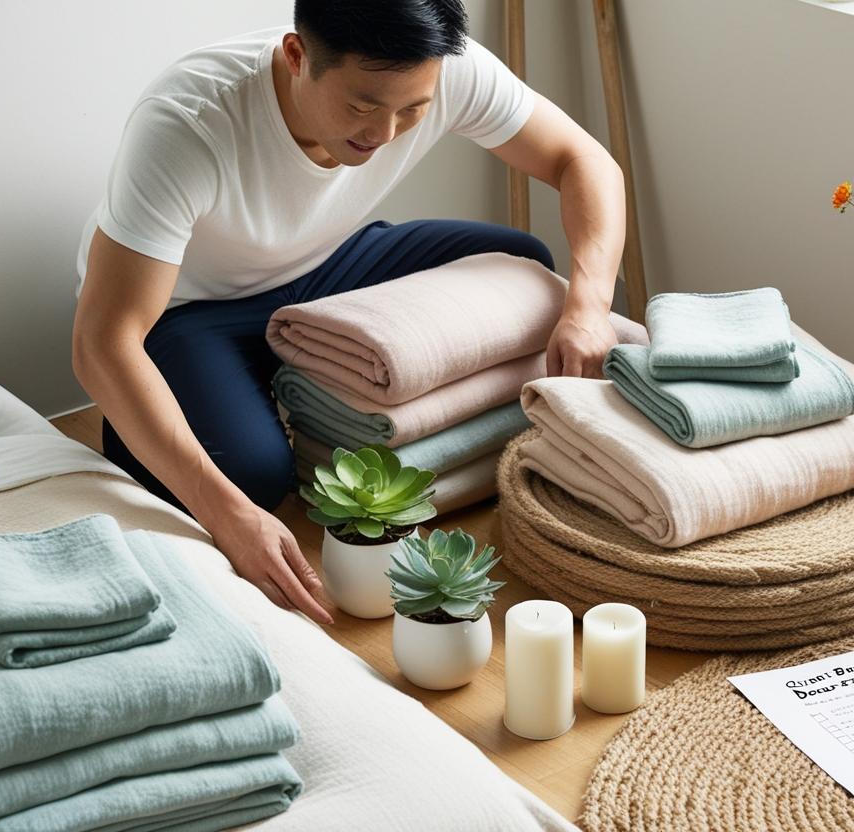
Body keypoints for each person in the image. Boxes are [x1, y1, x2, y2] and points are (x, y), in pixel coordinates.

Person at [70, 0, 627, 626]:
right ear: (296, 55)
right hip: (191, 308)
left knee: (521, 267)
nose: (385, 133)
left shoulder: (444, 66)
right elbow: (102, 340)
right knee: (250, 477)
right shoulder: (189, 121)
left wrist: (590, 305)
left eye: (412, 109)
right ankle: (176, 416)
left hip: (327, 263)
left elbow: (585, 162)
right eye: (362, 106)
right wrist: (226, 513)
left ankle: (291, 379)